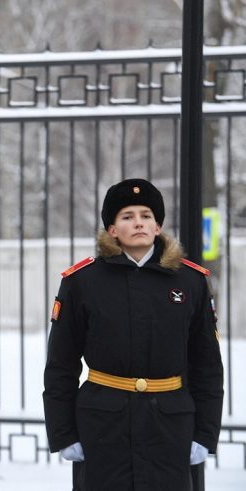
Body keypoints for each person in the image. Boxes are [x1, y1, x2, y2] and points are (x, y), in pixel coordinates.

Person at [43, 178, 223, 491]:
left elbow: (207, 365)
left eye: (146, 216)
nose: (138, 222)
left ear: (158, 226)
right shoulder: (83, 282)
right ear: (111, 229)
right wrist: (65, 434)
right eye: (127, 217)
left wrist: (204, 434)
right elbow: (60, 365)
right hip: (102, 426)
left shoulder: (190, 282)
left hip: (171, 425)